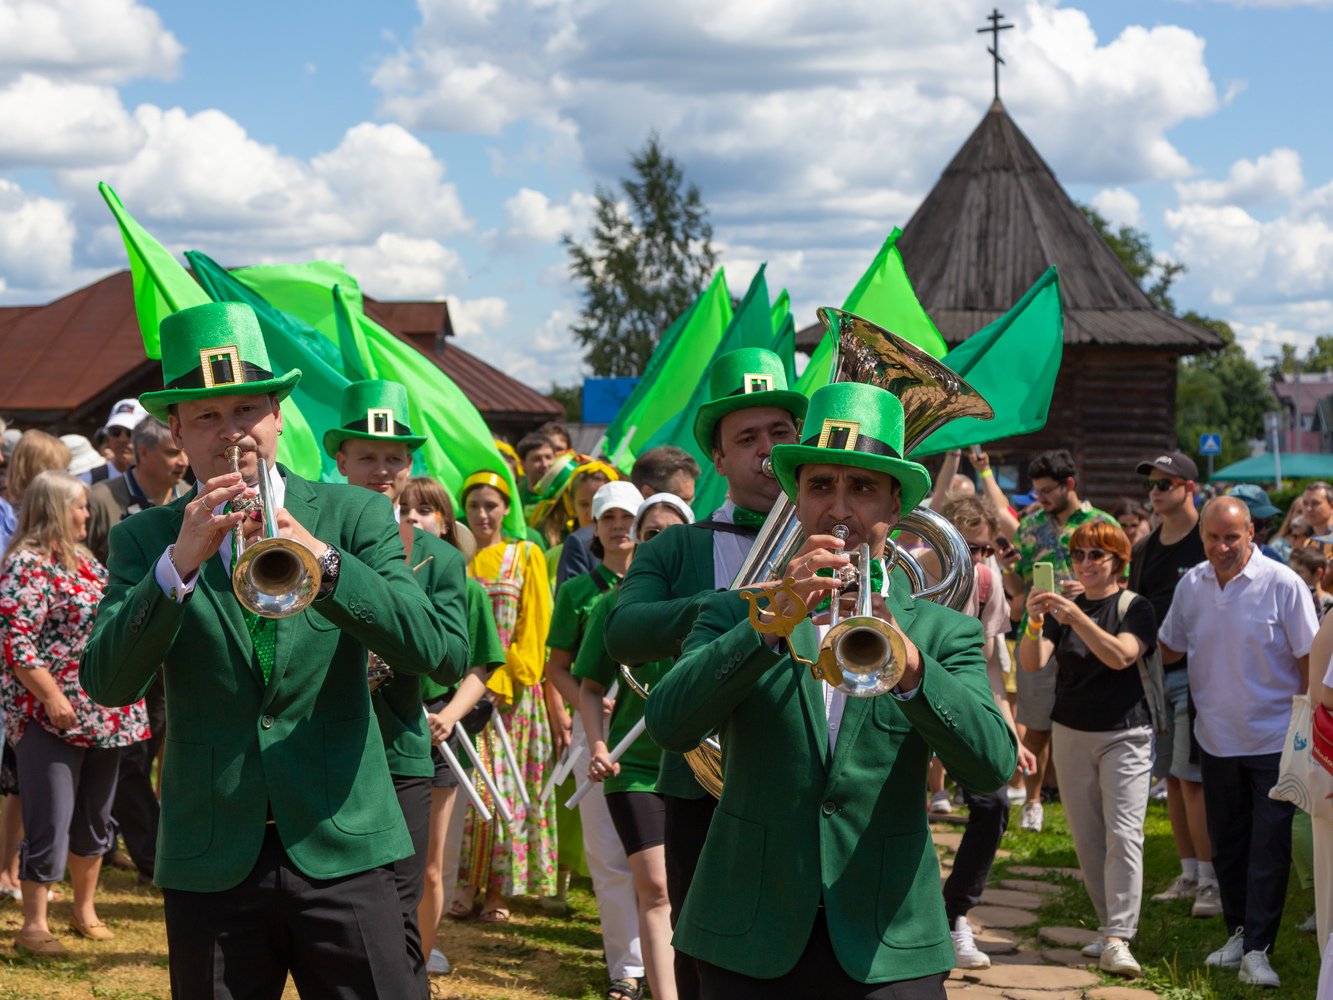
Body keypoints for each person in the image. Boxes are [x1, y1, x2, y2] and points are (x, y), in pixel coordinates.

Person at [79, 301, 450, 998]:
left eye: (247, 409)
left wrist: (325, 562)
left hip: (345, 843)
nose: (232, 433)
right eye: (208, 417)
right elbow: (106, 683)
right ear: (179, 432)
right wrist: (178, 567)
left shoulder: (356, 513)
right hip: (212, 853)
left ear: (280, 414)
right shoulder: (142, 539)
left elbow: (431, 647)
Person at [645, 381, 1017, 998]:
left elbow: (991, 765)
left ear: (895, 507)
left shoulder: (942, 629)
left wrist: (912, 665)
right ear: (794, 498)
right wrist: (768, 624)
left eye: (863, 488)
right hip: (748, 934)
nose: (840, 509)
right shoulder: (734, 612)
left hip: (887, 939)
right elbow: (670, 723)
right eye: (821, 486)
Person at [605, 347, 808, 1000]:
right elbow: (622, 631)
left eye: (780, 433)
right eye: (745, 438)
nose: (765, 449)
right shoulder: (676, 545)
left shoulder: (844, 540)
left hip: (812, 783)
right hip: (706, 788)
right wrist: (733, 609)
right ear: (717, 460)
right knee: (705, 967)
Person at [327, 379, 471, 998]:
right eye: (367, 455)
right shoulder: (305, 536)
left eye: (394, 457)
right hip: (325, 749)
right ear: (340, 460)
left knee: (399, 905)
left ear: (409, 464)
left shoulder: (438, 556)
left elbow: (454, 658)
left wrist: (388, 655)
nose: (382, 469)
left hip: (398, 750)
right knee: (332, 914)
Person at [1159, 496, 1318, 989]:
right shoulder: (1192, 584)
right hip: (1216, 739)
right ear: (1202, 537)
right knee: (1228, 844)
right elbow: (1170, 645)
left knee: (1269, 846)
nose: (1222, 546)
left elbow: (1309, 659)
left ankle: (1259, 950)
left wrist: (1307, 730)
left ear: (1252, 533)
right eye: (1213, 537)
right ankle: (1239, 933)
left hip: (1273, 740)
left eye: (1232, 536)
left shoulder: (1283, 583)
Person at [2, 470, 151, 956]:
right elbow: (15, 638)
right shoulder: (27, 564)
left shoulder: (85, 561)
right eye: (79, 506)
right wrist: (51, 695)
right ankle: (34, 924)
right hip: (51, 716)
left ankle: (85, 910)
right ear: (52, 509)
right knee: (50, 816)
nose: (88, 514)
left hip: (105, 714)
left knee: (95, 817)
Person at [1019, 519, 1157, 977]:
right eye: (1078, 555)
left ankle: (1120, 936)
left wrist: (1075, 615)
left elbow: (1121, 655)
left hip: (1125, 733)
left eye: (1095, 555)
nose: (1085, 563)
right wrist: (1036, 620)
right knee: (1088, 837)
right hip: (1071, 731)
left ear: (1118, 559)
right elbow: (1033, 661)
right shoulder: (1068, 608)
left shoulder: (1134, 606)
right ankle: (1107, 925)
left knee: (1125, 834)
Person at [575, 483, 686, 1000]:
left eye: (670, 532)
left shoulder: (720, 601)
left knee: (694, 894)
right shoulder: (613, 605)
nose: (659, 540)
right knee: (658, 890)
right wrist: (597, 746)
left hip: (703, 768)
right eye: (650, 534)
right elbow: (590, 686)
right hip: (636, 769)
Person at [398, 475, 503, 977]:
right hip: (383, 730)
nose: (412, 518)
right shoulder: (379, 574)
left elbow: (480, 669)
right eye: (403, 509)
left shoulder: (467, 587)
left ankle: (419, 956)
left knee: (430, 859)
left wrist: (449, 715)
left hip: (438, 731)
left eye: (425, 510)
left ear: (444, 522)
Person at [929, 495, 1037, 970]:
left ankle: (955, 914)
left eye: (985, 550)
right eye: (969, 548)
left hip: (963, 710)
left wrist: (1009, 734)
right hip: (899, 707)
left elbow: (990, 668)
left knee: (993, 804)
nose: (977, 560)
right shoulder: (909, 570)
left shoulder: (988, 582)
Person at [85, 416, 190, 885]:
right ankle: (150, 855)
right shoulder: (102, 500)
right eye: (172, 452)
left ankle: (120, 845)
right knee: (128, 760)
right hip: (122, 650)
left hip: (174, 657)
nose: (182, 461)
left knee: (148, 757)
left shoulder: (189, 498)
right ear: (142, 453)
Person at [455, 469, 556, 923]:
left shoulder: (524, 555)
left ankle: (499, 889)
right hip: (460, 692)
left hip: (510, 698)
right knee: (464, 792)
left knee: (504, 792)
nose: (482, 514)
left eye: (490, 505)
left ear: (505, 508)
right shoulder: (456, 557)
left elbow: (535, 627)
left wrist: (504, 680)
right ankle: (461, 883)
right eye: (473, 505)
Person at [1007, 448, 1117, 833]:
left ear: (1069, 484)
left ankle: (1090, 807)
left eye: (1046, 491)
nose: (1040, 498)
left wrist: (1085, 588)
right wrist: (1010, 577)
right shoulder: (1029, 525)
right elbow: (1018, 584)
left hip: (1085, 637)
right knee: (1035, 725)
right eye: (1036, 492)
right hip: (1036, 636)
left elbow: (1122, 583)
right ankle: (1032, 801)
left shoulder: (1103, 524)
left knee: (1085, 724)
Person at [1130, 453, 1215, 918]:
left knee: (1194, 780)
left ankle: (1211, 880)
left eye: (1165, 483)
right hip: (1155, 673)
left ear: (1189, 487)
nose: (1156, 491)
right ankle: (1189, 873)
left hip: (1199, 674)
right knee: (1174, 780)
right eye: (1152, 485)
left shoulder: (1209, 539)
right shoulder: (1145, 547)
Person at [100, 398, 150, 478]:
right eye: (115, 431)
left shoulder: (163, 476)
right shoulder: (90, 480)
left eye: (130, 432)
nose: (122, 439)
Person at [515, 432, 557, 505]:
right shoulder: (517, 500)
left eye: (548, 457)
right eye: (537, 459)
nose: (544, 464)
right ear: (523, 464)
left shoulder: (566, 494)